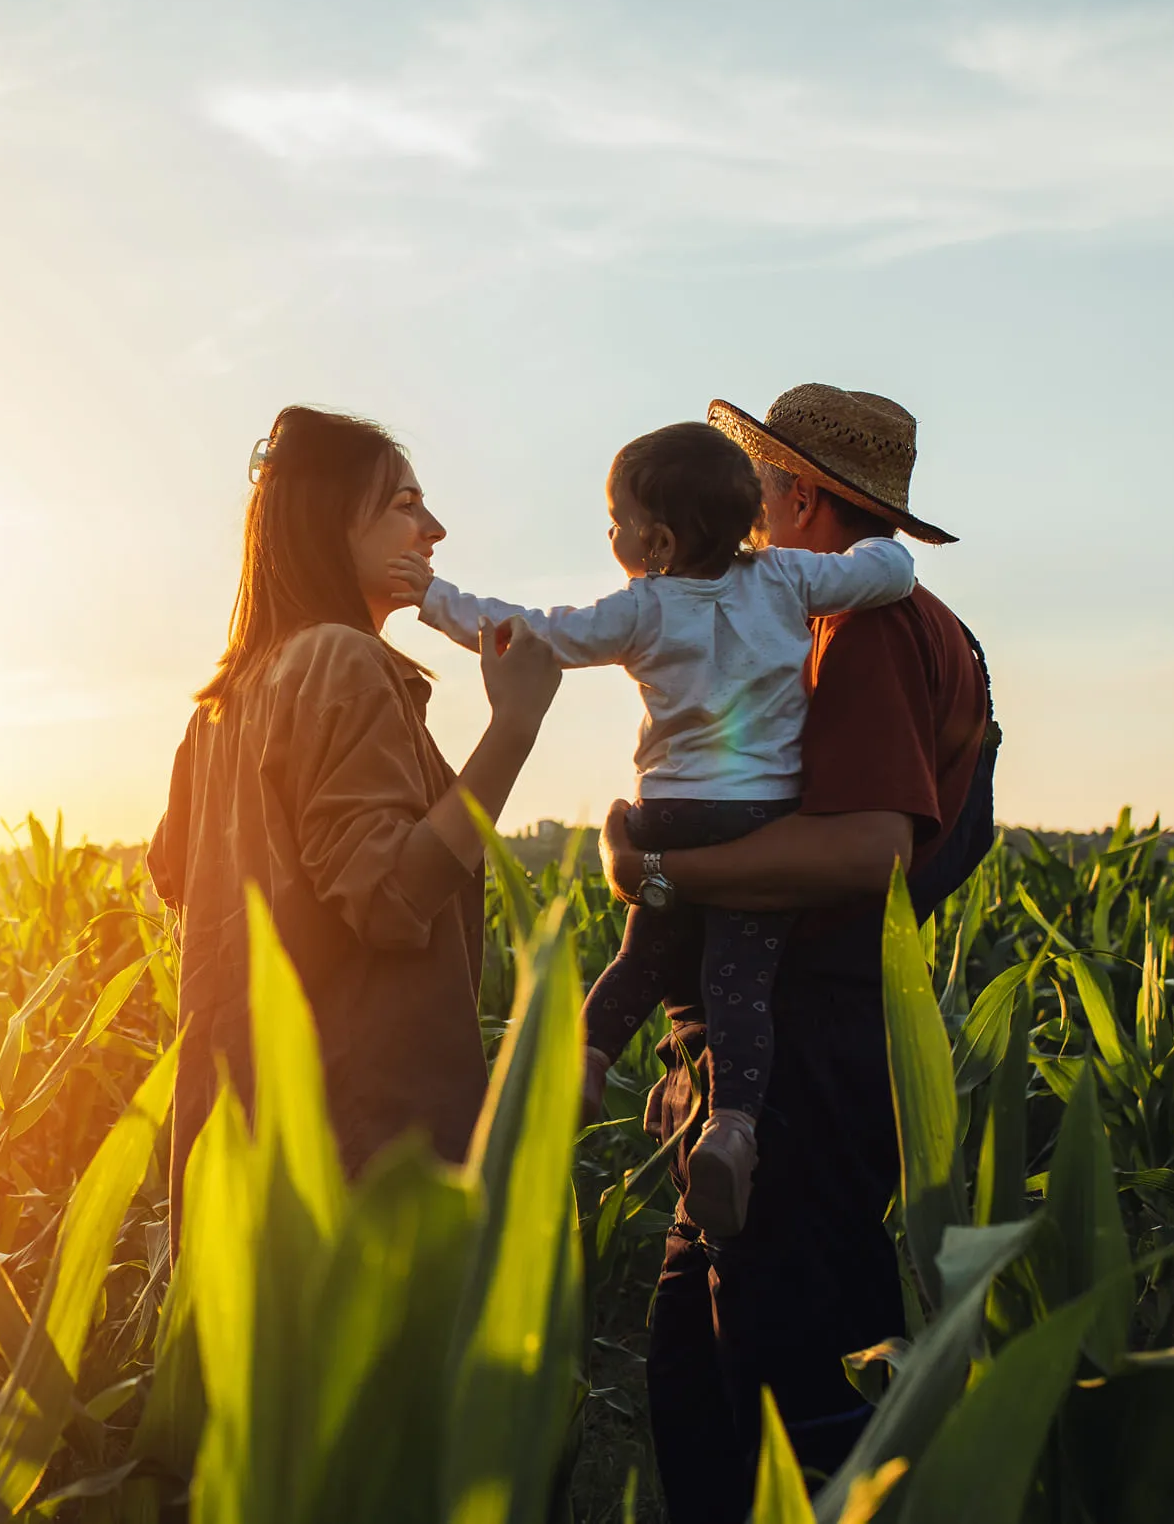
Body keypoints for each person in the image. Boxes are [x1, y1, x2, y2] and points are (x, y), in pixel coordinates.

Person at [599, 385, 994, 1523]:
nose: (743, 508)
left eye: (754, 483)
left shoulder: (864, 631)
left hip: (807, 1061)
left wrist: (661, 878)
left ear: (801, 497)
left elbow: (867, 851)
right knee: (696, 1365)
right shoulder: (871, 624)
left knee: (785, 1394)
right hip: (768, 1049)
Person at [388, 421, 915, 1238]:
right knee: (740, 986)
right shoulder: (784, 581)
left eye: (618, 521)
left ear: (657, 541)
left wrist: (428, 597)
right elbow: (889, 570)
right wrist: (869, 555)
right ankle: (733, 1128)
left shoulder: (640, 607)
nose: (611, 535)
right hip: (758, 815)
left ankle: (584, 1063)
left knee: (641, 957)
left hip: (667, 813)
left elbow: (526, 632)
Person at [148, 405, 561, 1241]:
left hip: (241, 1152)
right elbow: (391, 893)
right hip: (356, 1160)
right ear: (332, 521)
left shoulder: (221, 707)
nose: (434, 530)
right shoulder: (343, 658)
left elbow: (170, 872)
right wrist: (512, 731)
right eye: (406, 505)